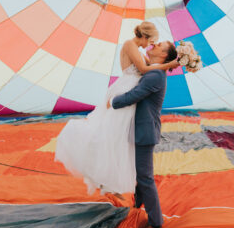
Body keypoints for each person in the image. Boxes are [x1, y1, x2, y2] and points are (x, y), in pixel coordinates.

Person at [55, 21, 179, 197]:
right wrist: (169, 65)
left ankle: (110, 181)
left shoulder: (140, 51)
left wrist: (168, 64)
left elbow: (149, 68)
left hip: (130, 91)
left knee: (120, 137)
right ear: (144, 36)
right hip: (124, 91)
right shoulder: (130, 44)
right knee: (110, 133)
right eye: (150, 40)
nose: (150, 44)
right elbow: (144, 69)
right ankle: (103, 176)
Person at [108, 41, 178, 228]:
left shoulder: (155, 75)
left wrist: (113, 101)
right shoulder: (153, 70)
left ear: (164, 54)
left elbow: (134, 95)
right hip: (142, 129)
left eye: (160, 44)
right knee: (141, 173)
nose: (154, 43)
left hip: (145, 132)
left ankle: (156, 222)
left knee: (145, 177)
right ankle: (138, 205)